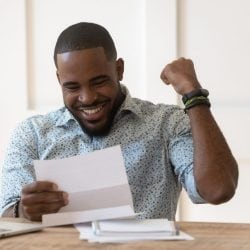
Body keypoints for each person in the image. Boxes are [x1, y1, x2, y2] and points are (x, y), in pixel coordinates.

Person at [0, 22, 238, 221]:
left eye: (99, 82)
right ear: (59, 79)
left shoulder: (166, 124)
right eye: (72, 87)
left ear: (119, 69)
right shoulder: (32, 134)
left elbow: (217, 190)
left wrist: (193, 95)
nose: (88, 98)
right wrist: (23, 210)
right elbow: (6, 214)